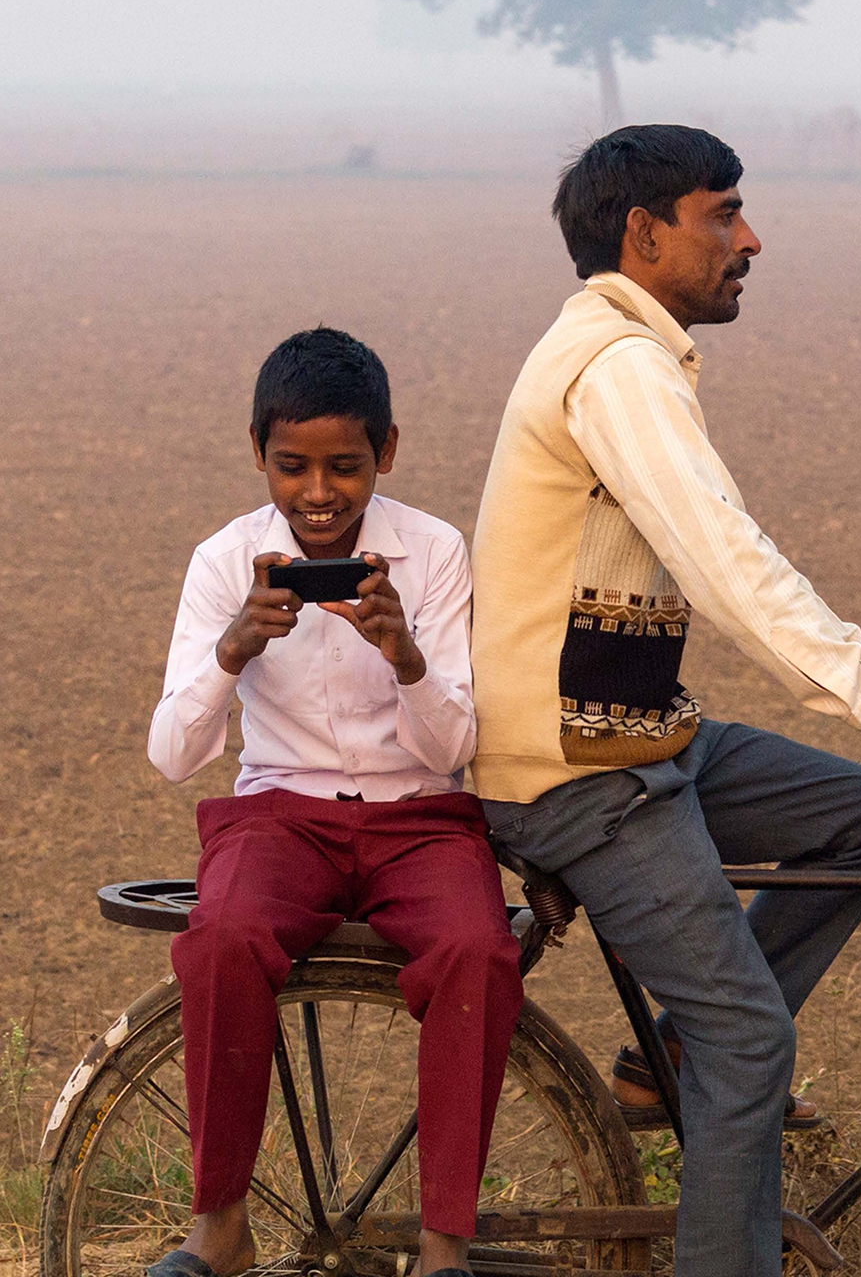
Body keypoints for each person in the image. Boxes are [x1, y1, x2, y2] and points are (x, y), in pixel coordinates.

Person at [470, 125, 861, 1275]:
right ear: (643, 233)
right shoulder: (616, 368)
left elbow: (726, 562)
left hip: (636, 736)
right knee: (752, 1041)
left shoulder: (629, 353)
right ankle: (709, 1093)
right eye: (724, 214)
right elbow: (725, 556)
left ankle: (662, 1055)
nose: (750, 238)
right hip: (576, 772)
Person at [146, 327, 522, 1277]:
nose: (318, 493)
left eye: (345, 467)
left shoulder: (432, 552)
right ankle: (219, 1225)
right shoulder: (225, 559)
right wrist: (231, 653)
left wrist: (407, 657)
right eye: (293, 467)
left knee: (479, 952)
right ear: (257, 453)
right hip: (279, 814)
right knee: (224, 939)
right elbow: (172, 755)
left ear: (386, 452)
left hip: (419, 818)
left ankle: (445, 1246)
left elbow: (454, 747)